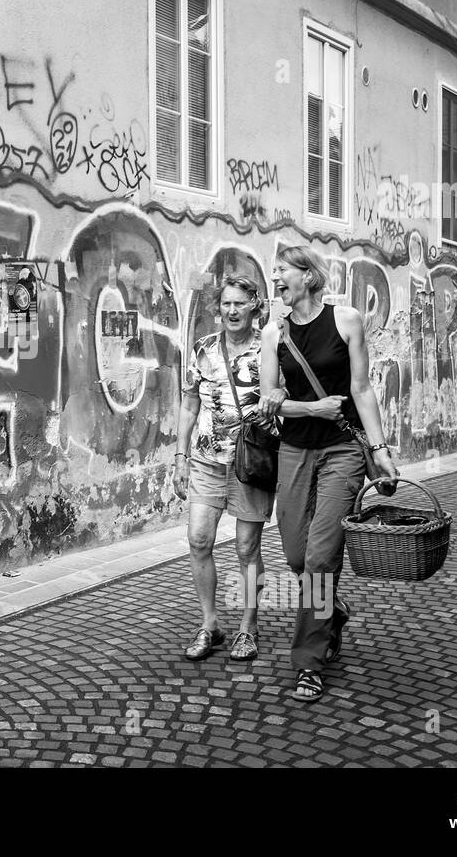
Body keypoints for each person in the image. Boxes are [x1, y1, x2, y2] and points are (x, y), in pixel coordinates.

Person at [258, 245, 399, 703]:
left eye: (282, 270)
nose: (275, 277)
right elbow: (268, 401)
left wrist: (380, 452)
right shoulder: (271, 333)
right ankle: (331, 609)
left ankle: (309, 662)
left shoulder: (346, 320)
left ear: (308, 277)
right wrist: (312, 407)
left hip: (342, 450)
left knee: (320, 559)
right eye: (274, 270)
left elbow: (361, 389)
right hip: (294, 449)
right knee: (298, 556)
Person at [173, 275, 276, 662]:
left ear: (254, 305)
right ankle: (210, 624)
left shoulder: (269, 350)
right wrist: (180, 457)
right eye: (226, 304)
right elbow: (188, 406)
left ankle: (248, 627)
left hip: (252, 464)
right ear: (218, 309)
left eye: (240, 303)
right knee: (199, 541)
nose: (232, 310)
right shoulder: (202, 350)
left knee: (247, 548)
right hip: (205, 460)